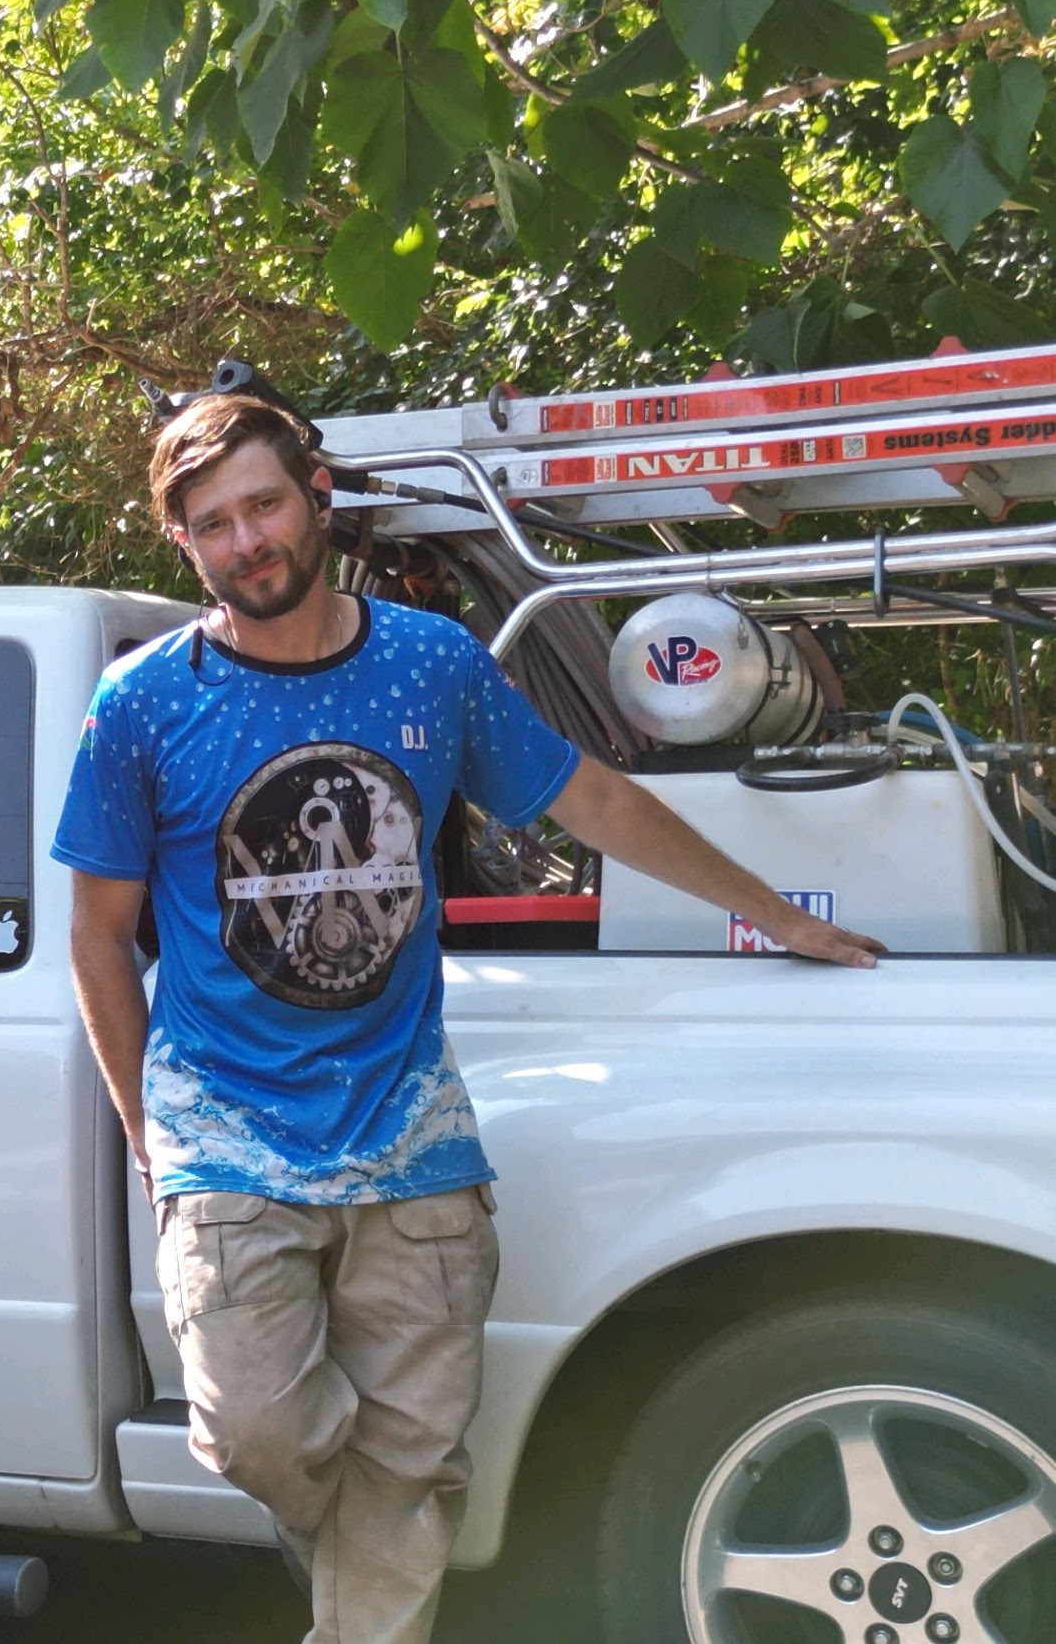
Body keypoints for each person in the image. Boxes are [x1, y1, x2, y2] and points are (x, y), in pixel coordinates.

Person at [52, 393, 882, 1644]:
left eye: (263, 505)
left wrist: (776, 914)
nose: (245, 542)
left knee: (413, 1460)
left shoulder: (428, 663)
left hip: (412, 1131)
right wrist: (146, 1133)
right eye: (212, 525)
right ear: (185, 544)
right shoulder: (141, 703)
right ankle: (365, 1522)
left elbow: (590, 800)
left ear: (316, 494)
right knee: (256, 1432)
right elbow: (99, 937)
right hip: (225, 1130)